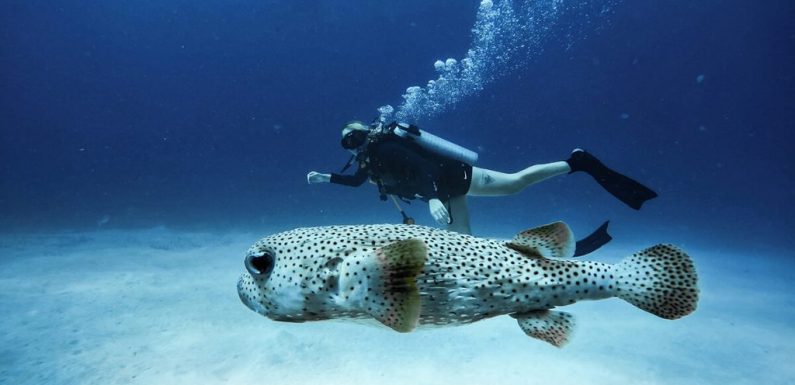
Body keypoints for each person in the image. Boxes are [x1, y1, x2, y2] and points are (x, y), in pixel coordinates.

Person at [307, 120, 657, 238]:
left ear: (365, 132)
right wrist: (326, 178)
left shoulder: (385, 149)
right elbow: (355, 183)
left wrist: (430, 197)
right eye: (345, 143)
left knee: (516, 183)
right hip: (444, 194)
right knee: (463, 240)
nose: (351, 146)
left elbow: (425, 169)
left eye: (353, 137)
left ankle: (576, 162)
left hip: (454, 179)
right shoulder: (370, 163)